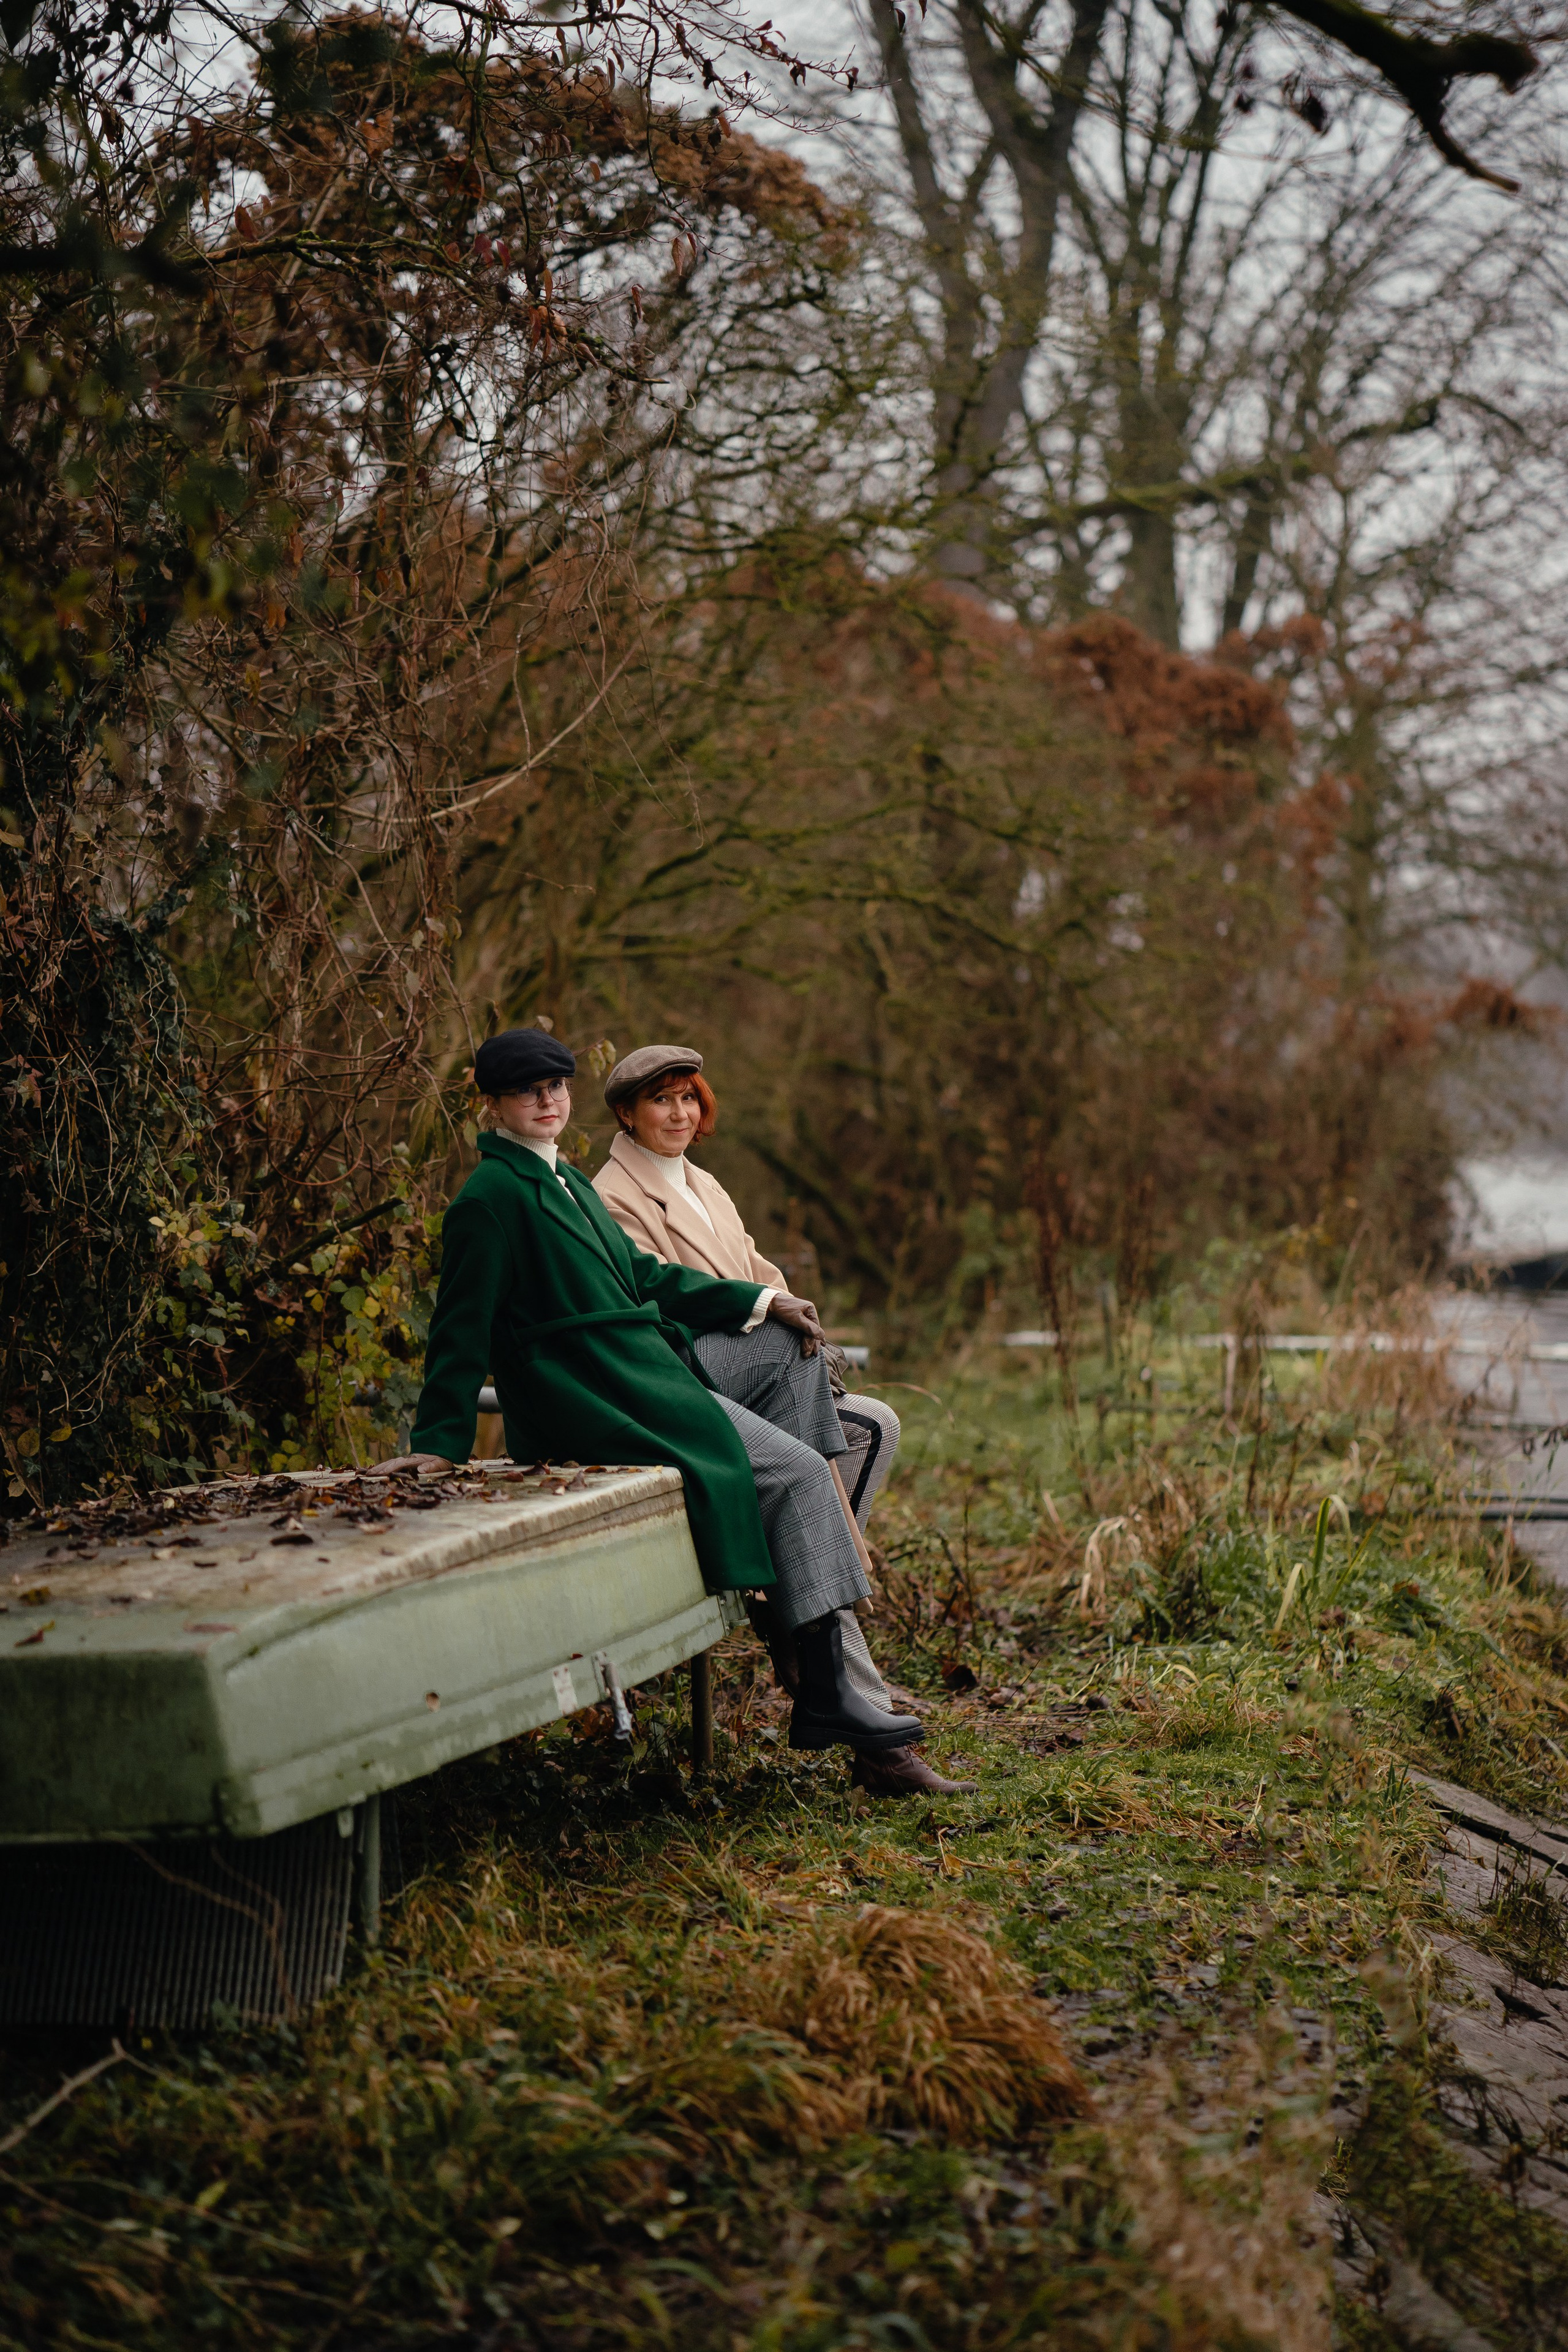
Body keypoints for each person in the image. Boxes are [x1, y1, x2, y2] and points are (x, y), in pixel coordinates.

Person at [371, 1027, 921, 1764]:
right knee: (792, 1471)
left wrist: (760, 1302)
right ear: (493, 1105)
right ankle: (824, 1688)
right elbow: (458, 1328)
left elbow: (648, 1279)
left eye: (557, 1087)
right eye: (527, 1091)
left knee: (793, 1419)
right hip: (590, 1393)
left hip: (639, 1371)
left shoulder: (562, 1179)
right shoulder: (492, 1196)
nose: (547, 1101)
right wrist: (439, 1445)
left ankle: (824, 1677)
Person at [593, 1043, 973, 1798]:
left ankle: (797, 1618)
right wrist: (775, 1318)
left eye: (688, 1099)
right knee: (791, 1383)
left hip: (758, 1374)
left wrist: (790, 1314)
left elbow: (758, 1270)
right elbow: (669, 1297)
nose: (678, 1113)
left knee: (876, 1425)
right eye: (660, 1101)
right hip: (688, 1371)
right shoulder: (613, 1195)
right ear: (626, 1114)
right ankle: (843, 1676)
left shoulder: (704, 1182)